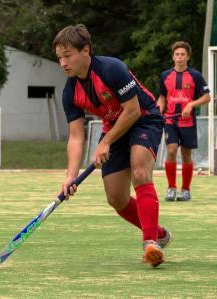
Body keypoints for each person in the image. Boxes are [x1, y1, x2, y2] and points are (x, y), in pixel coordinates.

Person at [54, 24, 171, 268]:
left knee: (139, 170)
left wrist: (105, 142)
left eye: (67, 56)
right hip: (115, 127)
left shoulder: (111, 68)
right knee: (116, 197)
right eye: (59, 58)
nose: (63, 63)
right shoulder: (70, 92)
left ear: (85, 50)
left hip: (144, 119)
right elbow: (76, 136)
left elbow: (133, 110)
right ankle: (157, 231)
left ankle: (150, 243)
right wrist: (70, 176)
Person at [158, 41, 211, 202]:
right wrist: (158, 109)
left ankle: (186, 190)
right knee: (172, 150)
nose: (180, 57)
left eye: (183, 54)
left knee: (186, 155)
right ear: (173, 57)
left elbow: (207, 97)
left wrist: (191, 104)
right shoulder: (165, 76)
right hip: (170, 121)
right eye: (177, 54)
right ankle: (171, 188)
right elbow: (162, 97)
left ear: (187, 57)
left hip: (188, 122)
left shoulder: (195, 76)